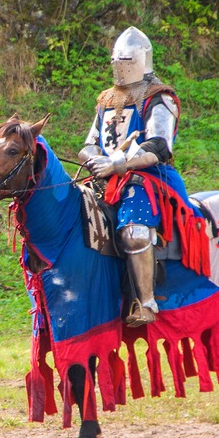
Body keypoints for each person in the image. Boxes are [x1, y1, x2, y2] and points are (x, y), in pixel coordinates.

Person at [77, 26, 193, 327]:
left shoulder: (159, 97)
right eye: (117, 60)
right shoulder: (106, 100)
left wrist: (118, 164)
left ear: (142, 60)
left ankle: (146, 303)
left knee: (134, 231)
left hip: (147, 177)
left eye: (127, 60)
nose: (121, 66)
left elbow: (159, 146)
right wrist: (94, 159)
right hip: (105, 177)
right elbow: (90, 143)